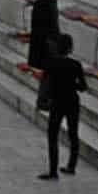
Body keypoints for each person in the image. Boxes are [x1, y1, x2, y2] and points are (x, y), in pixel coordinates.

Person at [36, 32, 87, 179]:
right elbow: (83, 87)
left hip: (57, 103)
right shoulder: (76, 65)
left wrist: (42, 101)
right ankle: (71, 166)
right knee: (73, 134)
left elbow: (45, 84)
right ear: (70, 48)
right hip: (72, 102)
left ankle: (53, 171)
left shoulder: (51, 64)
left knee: (53, 136)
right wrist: (72, 84)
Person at [27, 0, 62, 68]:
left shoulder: (41, 1)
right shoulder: (49, 4)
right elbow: (53, 26)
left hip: (37, 41)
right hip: (45, 43)